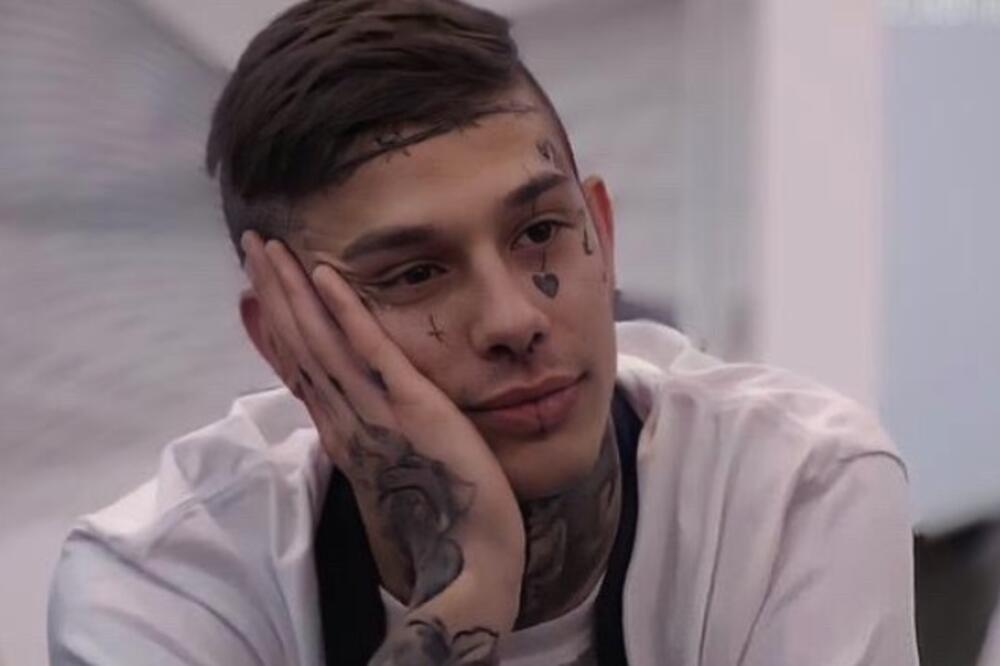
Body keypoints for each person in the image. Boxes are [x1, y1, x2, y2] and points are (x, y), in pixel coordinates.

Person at [47, 1, 920, 664]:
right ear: (286, 343)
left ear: (602, 233)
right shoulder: (165, 584)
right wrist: (467, 586)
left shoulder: (792, 490)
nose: (513, 321)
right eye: (413, 273)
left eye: (539, 231)